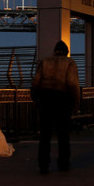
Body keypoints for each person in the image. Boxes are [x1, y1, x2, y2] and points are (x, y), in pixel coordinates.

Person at [31, 40, 80, 174]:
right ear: (66, 52)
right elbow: (72, 84)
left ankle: (43, 164)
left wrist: (34, 98)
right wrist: (76, 102)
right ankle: (63, 164)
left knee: (45, 135)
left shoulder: (45, 62)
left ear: (55, 51)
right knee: (63, 135)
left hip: (45, 99)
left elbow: (36, 81)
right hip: (62, 100)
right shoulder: (70, 63)